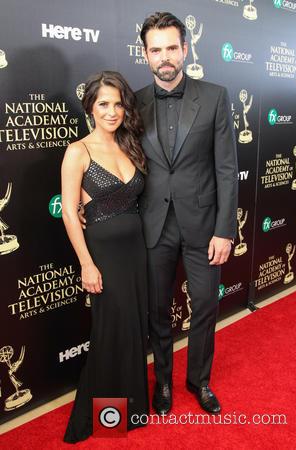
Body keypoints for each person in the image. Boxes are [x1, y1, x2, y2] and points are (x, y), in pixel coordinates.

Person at [135, 12, 238, 415]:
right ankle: (162, 382)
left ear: (185, 49)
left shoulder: (215, 96)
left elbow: (226, 169)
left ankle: (199, 381)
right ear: (145, 54)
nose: (165, 57)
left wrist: (225, 230)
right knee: (157, 309)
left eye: (171, 48)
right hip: (153, 226)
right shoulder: (134, 102)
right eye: (155, 49)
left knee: (206, 305)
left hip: (204, 227)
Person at [61, 71, 149, 443]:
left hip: (136, 253)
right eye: (103, 104)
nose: (112, 111)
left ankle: (133, 410)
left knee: (132, 332)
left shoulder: (130, 145)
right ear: (90, 108)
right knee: (109, 333)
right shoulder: (78, 151)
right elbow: (68, 210)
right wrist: (86, 263)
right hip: (103, 257)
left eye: (118, 103)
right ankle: (106, 417)